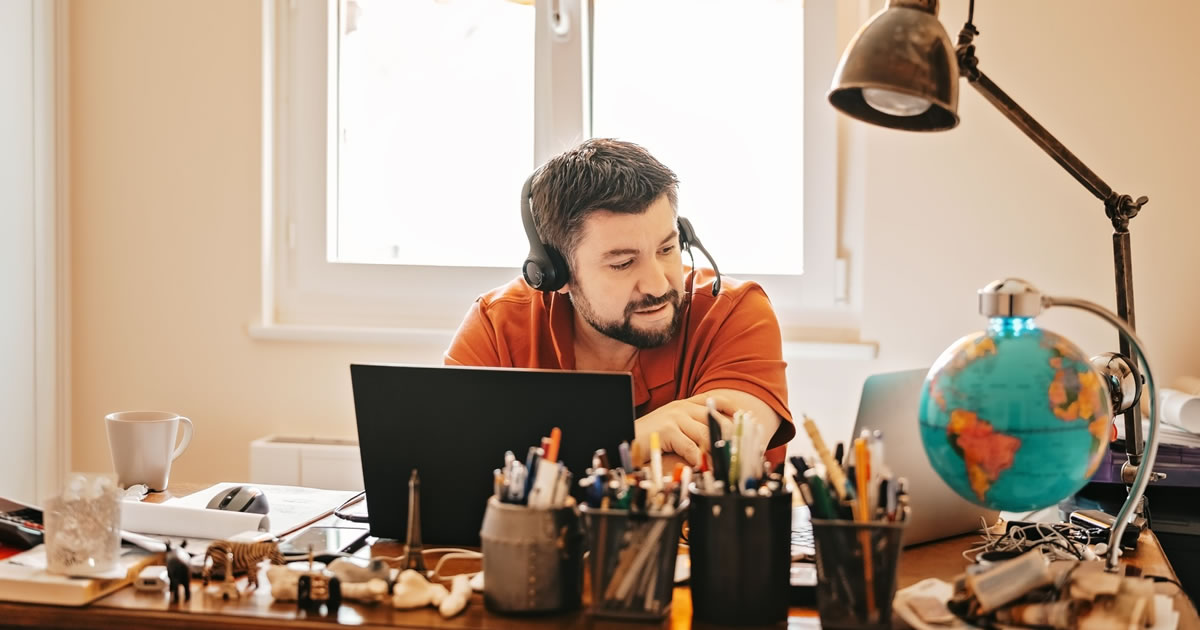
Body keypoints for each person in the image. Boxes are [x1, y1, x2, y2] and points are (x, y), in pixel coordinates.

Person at [445, 138, 794, 467]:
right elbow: (453, 464)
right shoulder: (496, 325)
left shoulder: (735, 311)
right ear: (556, 273)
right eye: (623, 263)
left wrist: (567, 457)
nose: (658, 285)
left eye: (667, 249)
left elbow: (724, 457)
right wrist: (632, 440)